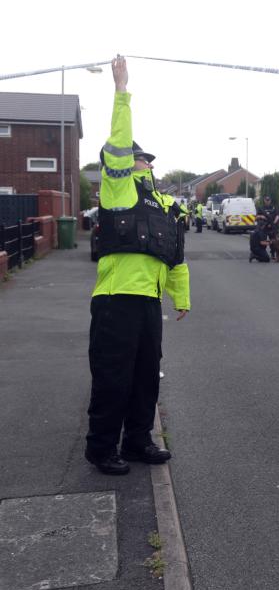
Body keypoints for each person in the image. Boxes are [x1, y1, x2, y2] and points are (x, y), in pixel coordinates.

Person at [84, 56, 189, 476]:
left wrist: (181, 297)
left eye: (146, 158)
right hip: (116, 300)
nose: (144, 161)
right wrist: (122, 92)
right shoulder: (118, 191)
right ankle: (101, 447)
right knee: (113, 377)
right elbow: (119, 143)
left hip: (148, 303)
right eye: (137, 157)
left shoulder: (165, 205)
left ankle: (138, 441)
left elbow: (175, 257)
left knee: (147, 375)